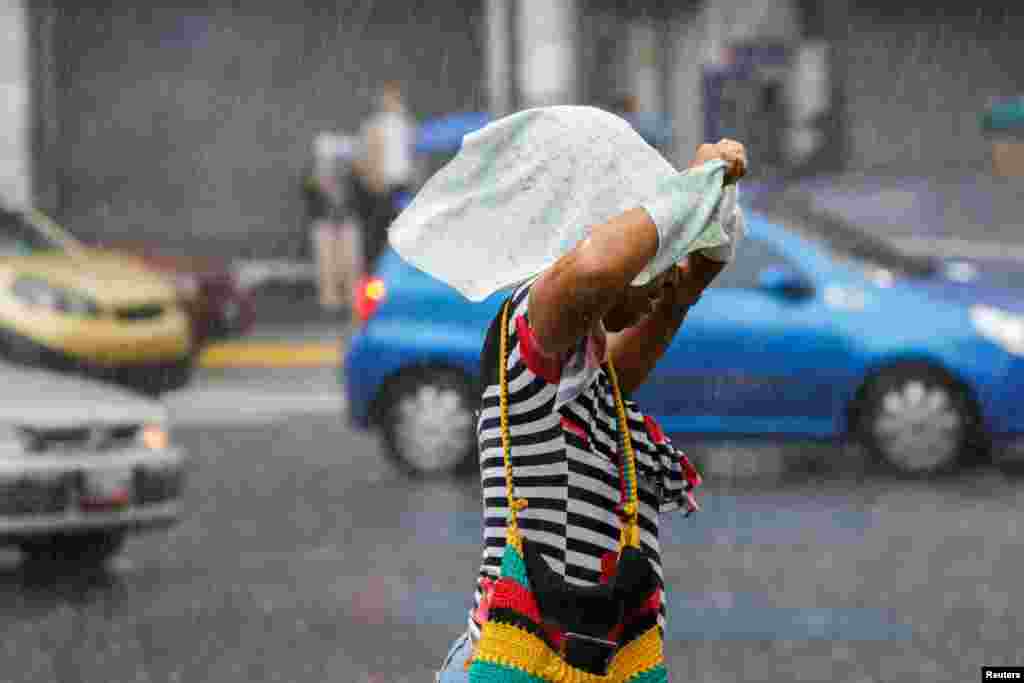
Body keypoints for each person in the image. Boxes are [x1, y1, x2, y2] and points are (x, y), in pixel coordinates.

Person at [433, 135, 748, 681]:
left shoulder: (588, 380)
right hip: (516, 662)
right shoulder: (529, 330)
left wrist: (705, 234)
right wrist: (687, 188)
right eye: (658, 256)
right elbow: (596, 268)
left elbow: (673, 297)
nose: (667, 269)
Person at [351, 80, 416, 276]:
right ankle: (373, 275)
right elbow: (364, 157)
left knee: (395, 233)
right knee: (378, 234)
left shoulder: (406, 124)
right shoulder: (375, 125)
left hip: (401, 185)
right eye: (387, 99)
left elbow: (410, 154)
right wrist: (373, 177)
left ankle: (389, 273)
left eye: (394, 98)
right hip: (382, 185)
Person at [305, 132, 361, 315]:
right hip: (324, 223)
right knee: (326, 263)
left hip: (347, 222)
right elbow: (310, 197)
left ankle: (352, 299)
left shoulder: (352, 175)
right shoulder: (313, 176)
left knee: (350, 263)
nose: (334, 164)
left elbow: (357, 197)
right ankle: (330, 302)